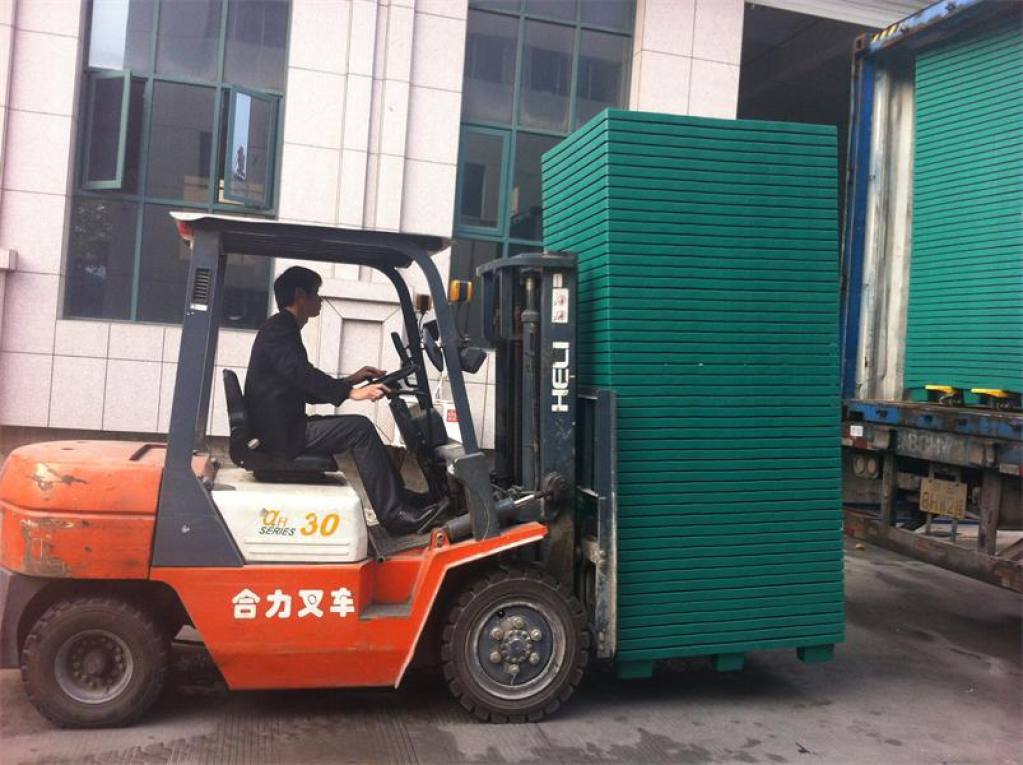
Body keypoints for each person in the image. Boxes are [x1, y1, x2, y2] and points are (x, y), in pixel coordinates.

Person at [244, 265, 439, 535]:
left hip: (283, 427)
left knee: (359, 427)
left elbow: (301, 385)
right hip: (282, 434)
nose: (320, 300)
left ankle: (400, 498)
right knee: (360, 429)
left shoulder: (282, 329)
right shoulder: (279, 330)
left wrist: (351, 380)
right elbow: (300, 373)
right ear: (300, 295)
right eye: (316, 294)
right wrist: (350, 393)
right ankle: (394, 514)